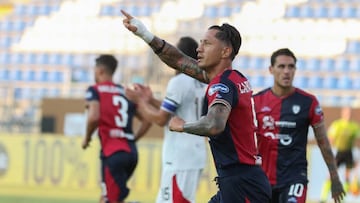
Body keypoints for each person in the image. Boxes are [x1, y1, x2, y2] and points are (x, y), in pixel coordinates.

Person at [121, 10, 271, 203]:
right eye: (200, 43)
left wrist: (182, 126)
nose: (199, 49)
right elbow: (178, 60)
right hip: (241, 181)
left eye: (207, 43)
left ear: (226, 51)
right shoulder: (233, 78)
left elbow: (214, 125)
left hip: (241, 185)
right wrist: (145, 34)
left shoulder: (221, 85)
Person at [253, 48, 346, 203]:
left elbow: (323, 142)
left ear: (296, 69)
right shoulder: (256, 101)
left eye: (291, 67)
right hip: (262, 179)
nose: (286, 71)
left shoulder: (308, 102)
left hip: (294, 178)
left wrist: (334, 177)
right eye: (281, 66)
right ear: (271, 69)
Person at [125, 36, 207, 203]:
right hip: (194, 154)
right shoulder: (201, 81)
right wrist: (150, 100)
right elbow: (178, 110)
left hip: (180, 157)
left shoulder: (179, 81)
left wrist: (140, 101)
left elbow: (161, 119)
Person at [81, 54, 152, 203]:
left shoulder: (95, 90)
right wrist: (133, 139)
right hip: (131, 153)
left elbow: (93, 117)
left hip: (112, 154)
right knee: (108, 197)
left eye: (94, 70)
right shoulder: (125, 92)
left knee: (111, 199)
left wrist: (87, 137)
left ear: (100, 70)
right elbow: (147, 120)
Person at [320, 107, 360, 203]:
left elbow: (358, 140)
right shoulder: (337, 125)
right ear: (343, 113)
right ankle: (323, 198)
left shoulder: (354, 126)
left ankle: (342, 199)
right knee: (331, 175)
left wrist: (358, 158)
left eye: (349, 113)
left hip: (349, 153)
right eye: (346, 113)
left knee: (347, 176)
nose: (348, 115)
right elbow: (330, 137)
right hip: (338, 152)